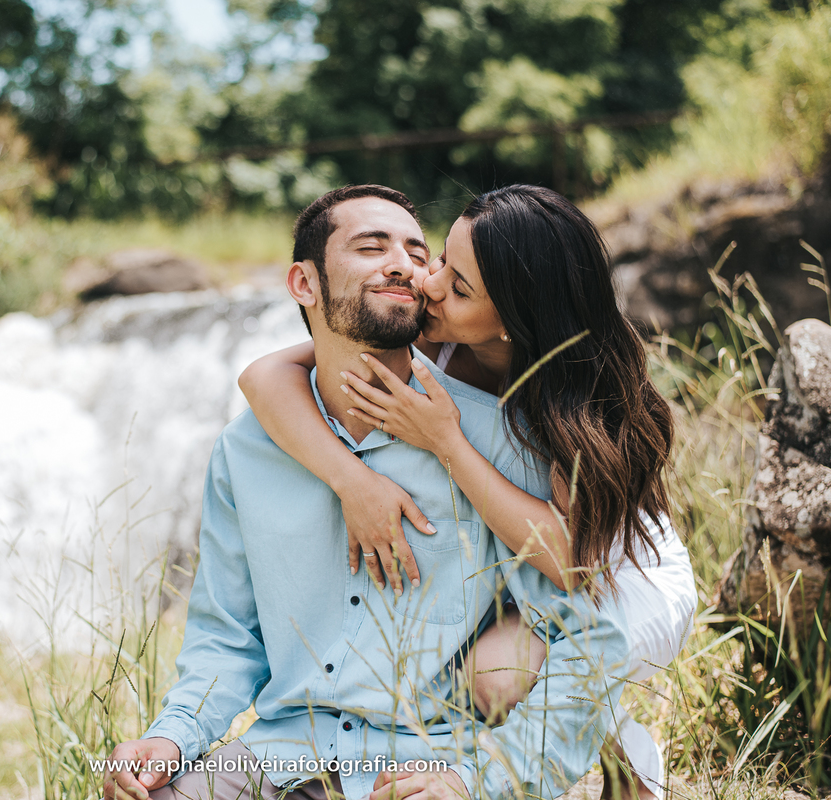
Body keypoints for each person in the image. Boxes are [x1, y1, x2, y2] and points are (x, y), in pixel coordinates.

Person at [104, 185, 635, 800]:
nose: (404, 264)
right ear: (304, 283)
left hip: (427, 763)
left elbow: (590, 639)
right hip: (279, 754)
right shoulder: (246, 450)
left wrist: (479, 782)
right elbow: (226, 637)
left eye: (417, 251)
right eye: (371, 246)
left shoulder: (498, 443)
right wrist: (171, 737)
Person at [238, 185, 696, 800]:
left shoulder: (583, 395)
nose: (427, 284)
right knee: (456, 669)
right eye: (441, 260)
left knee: (497, 676)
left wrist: (446, 440)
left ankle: (622, 767)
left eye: (458, 287)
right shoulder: (432, 335)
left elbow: (572, 561)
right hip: (518, 572)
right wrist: (354, 481)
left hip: (621, 579)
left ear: (511, 319)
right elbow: (264, 375)